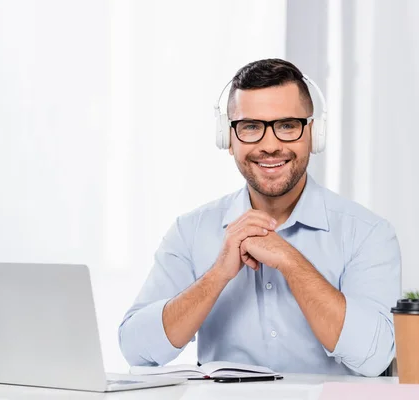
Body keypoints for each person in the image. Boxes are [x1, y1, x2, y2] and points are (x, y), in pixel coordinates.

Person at [118, 59, 401, 376]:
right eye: (251, 127)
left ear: (313, 134)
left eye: (287, 126)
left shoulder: (367, 233)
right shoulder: (191, 231)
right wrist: (217, 275)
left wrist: (291, 261)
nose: (270, 145)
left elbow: (374, 357)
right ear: (227, 139)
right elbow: (136, 350)